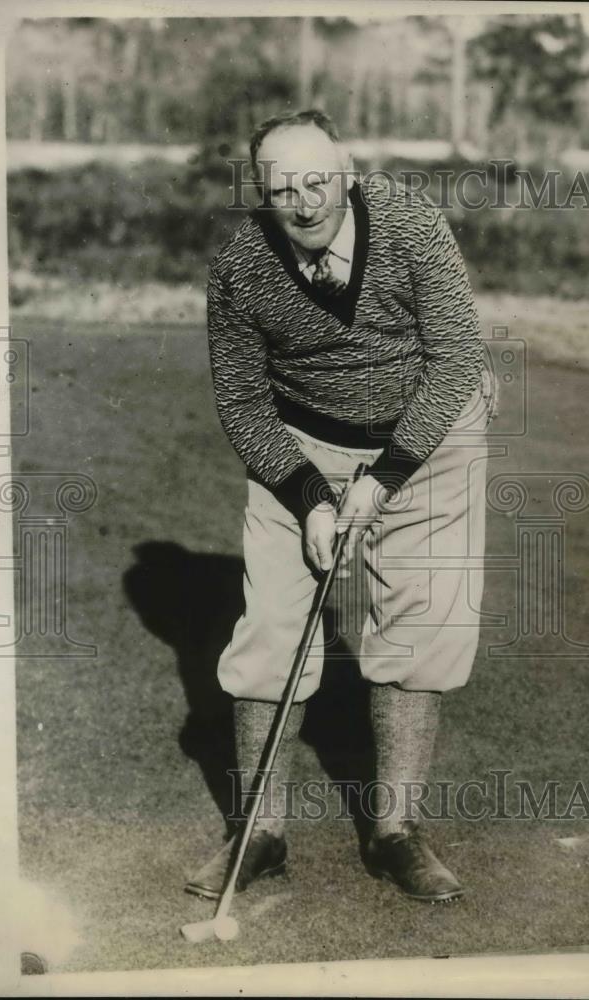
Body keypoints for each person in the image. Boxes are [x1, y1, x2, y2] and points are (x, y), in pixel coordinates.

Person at [186, 109, 492, 904]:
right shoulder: (241, 266)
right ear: (261, 192)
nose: (305, 200)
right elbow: (244, 401)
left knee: (423, 628)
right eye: (283, 186)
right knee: (269, 634)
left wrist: (382, 476)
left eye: (318, 179)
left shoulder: (409, 225)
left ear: (347, 171)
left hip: (425, 438)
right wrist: (311, 498)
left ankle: (395, 832)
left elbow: (456, 357)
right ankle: (258, 833)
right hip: (300, 446)